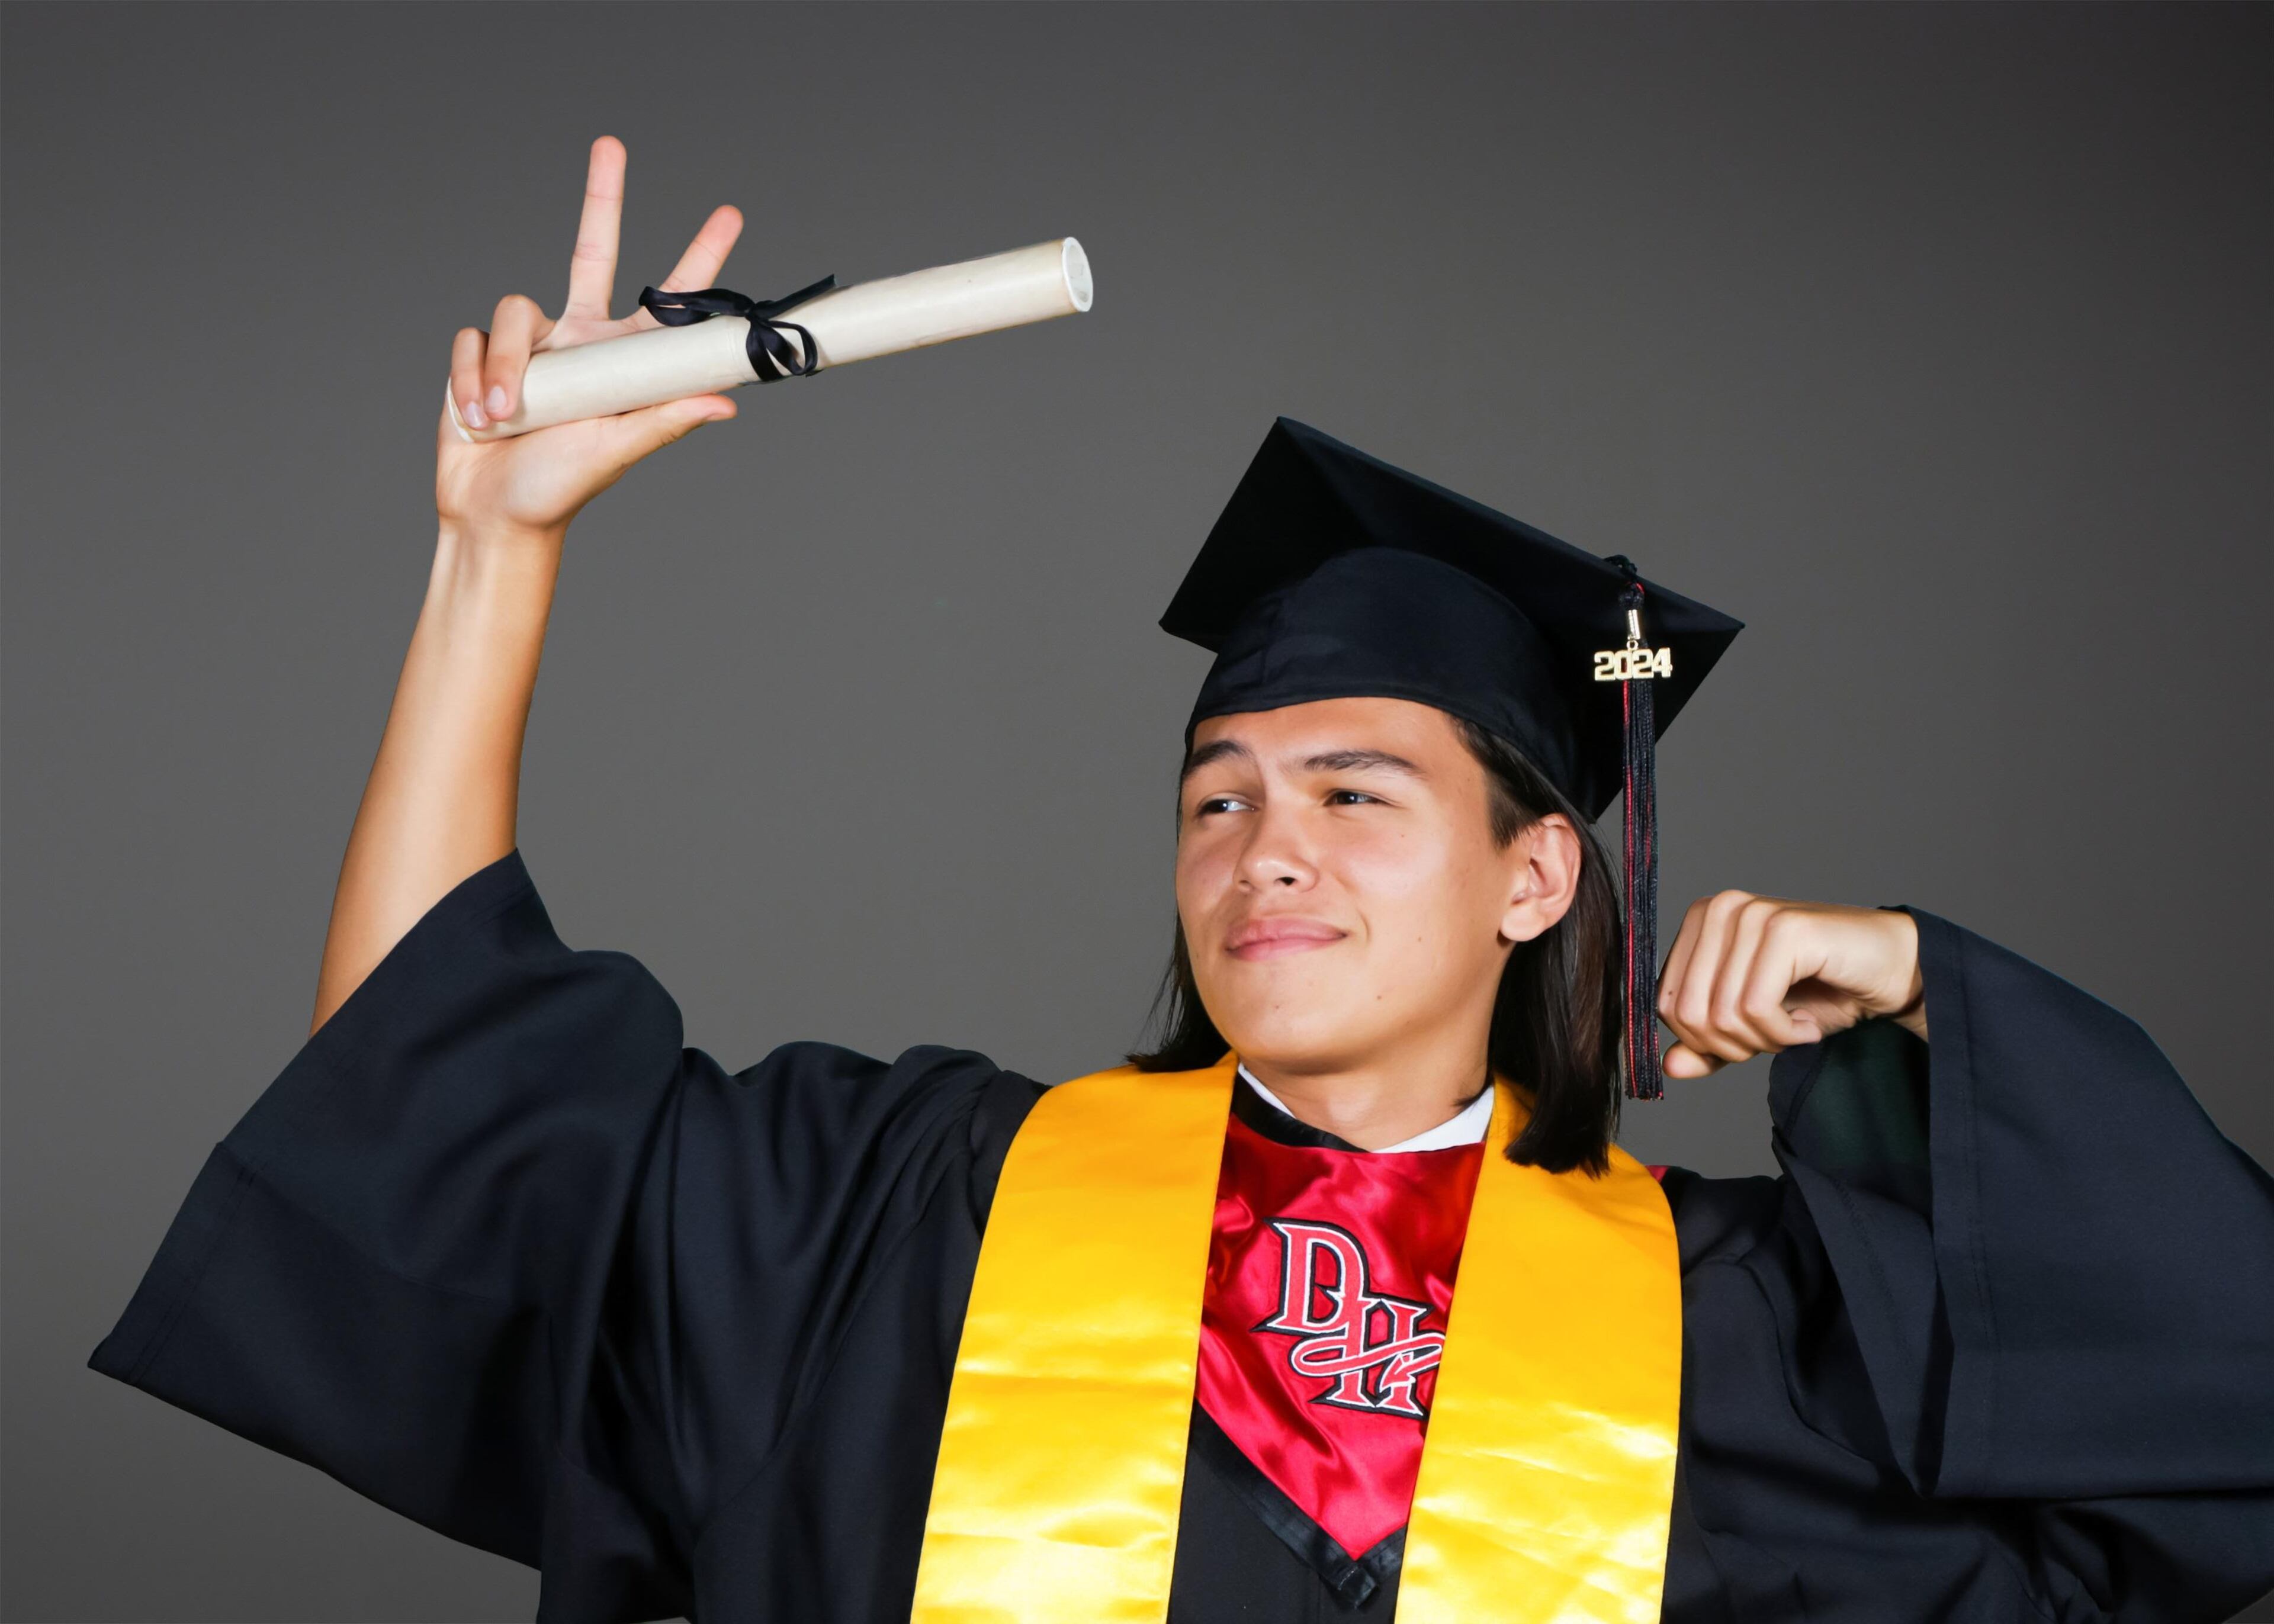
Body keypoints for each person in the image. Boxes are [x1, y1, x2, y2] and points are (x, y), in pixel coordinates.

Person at [90, 136, 2274, 1624]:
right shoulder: (908, 1210)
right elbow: (425, 1105)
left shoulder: (1748, 1334)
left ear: (1539, 877)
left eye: (1353, 791)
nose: (1265, 851)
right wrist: (495, 555)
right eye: (1217, 796)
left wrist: (1917, 1001)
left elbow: (2204, 1429)